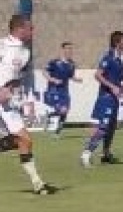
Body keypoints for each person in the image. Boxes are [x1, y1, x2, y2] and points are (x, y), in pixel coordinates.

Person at [0, 13, 54, 194]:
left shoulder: (25, 52)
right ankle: (38, 184)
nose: (33, 31)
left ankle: (38, 184)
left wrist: (28, 102)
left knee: (25, 141)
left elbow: (24, 79)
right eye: (30, 28)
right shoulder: (2, 46)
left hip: (8, 104)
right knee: (22, 139)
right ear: (19, 29)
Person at [81, 31, 123, 167]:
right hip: (106, 98)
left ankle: (106, 154)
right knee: (103, 127)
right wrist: (112, 87)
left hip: (114, 99)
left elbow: (122, 79)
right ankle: (86, 154)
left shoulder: (120, 60)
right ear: (117, 43)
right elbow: (98, 75)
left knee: (111, 127)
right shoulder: (108, 57)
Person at [42, 41, 82, 135]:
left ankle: (57, 131)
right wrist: (52, 79)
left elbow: (70, 76)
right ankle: (51, 118)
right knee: (62, 110)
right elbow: (44, 72)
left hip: (65, 91)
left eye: (71, 49)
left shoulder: (71, 63)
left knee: (65, 111)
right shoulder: (55, 62)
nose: (70, 50)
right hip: (54, 90)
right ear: (63, 50)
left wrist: (77, 79)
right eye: (68, 48)